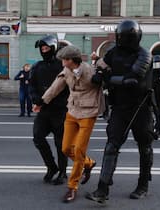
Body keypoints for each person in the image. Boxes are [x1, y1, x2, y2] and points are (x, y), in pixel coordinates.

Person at [85, 19, 154, 203]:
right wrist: (99, 75)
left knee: (144, 147)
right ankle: (102, 189)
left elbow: (132, 80)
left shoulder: (144, 55)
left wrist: (107, 76)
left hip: (141, 108)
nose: (120, 39)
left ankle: (143, 185)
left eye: (122, 36)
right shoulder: (113, 52)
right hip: (120, 106)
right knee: (111, 146)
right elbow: (101, 70)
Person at [34, 45, 105, 203]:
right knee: (66, 148)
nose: (62, 62)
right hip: (72, 111)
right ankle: (89, 163)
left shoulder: (90, 70)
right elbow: (55, 88)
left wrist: (100, 63)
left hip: (88, 112)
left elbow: (107, 72)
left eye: (65, 59)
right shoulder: (66, 71)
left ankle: (72, 187)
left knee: (79, 150)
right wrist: (42, 102)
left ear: (73, 60)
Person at [29, 35, 69, 185]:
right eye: (42, 49)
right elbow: (31, 86)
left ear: (53, 48)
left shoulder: (62, 65)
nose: (44, 51)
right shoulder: (37, 66)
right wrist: (35, 99)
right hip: (44, 110)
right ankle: (52, 167)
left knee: (61, 144)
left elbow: (69, 87)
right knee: (38, 137)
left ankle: (63, 172)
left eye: (46, 48)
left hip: (60, 110)